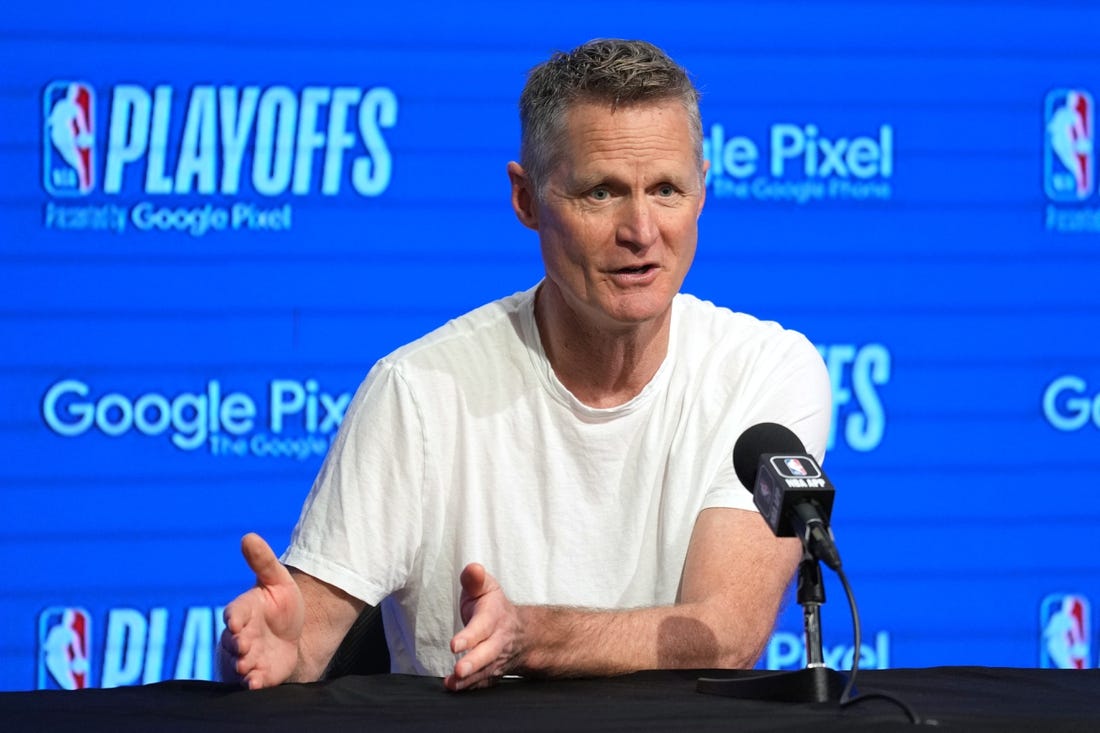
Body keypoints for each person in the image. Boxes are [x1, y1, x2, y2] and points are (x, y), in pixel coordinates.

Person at [218, 38, 831, 692]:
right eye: (602, 192)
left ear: (702, 190)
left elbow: (723, 632)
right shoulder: (419, 393)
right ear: (527, 199)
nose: (642, 230)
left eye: (666, 189)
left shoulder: (766, 369)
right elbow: (303, 642)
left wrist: (528, 634)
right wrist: (265, 651)